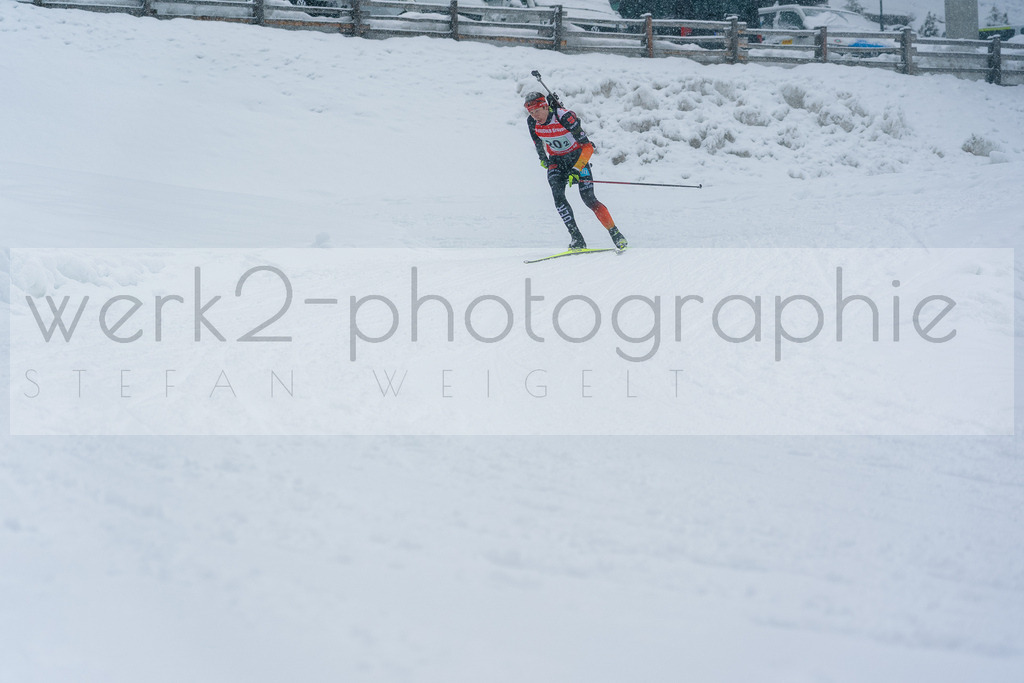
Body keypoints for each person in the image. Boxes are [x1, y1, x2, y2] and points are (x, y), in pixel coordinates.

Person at [523, 91, 628, 251]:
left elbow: (588, 147)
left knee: (589, 199)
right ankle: (577, 238)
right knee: (558, 198)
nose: (535, 115)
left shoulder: (563, 116)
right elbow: (537, 141)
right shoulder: (531, 122)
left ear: (545, 106)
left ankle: (616, 234)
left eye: (537, 111)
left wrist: (576, 169)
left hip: (577, 158)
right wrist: (543, 158)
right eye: (531, 112)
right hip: (557, 161)